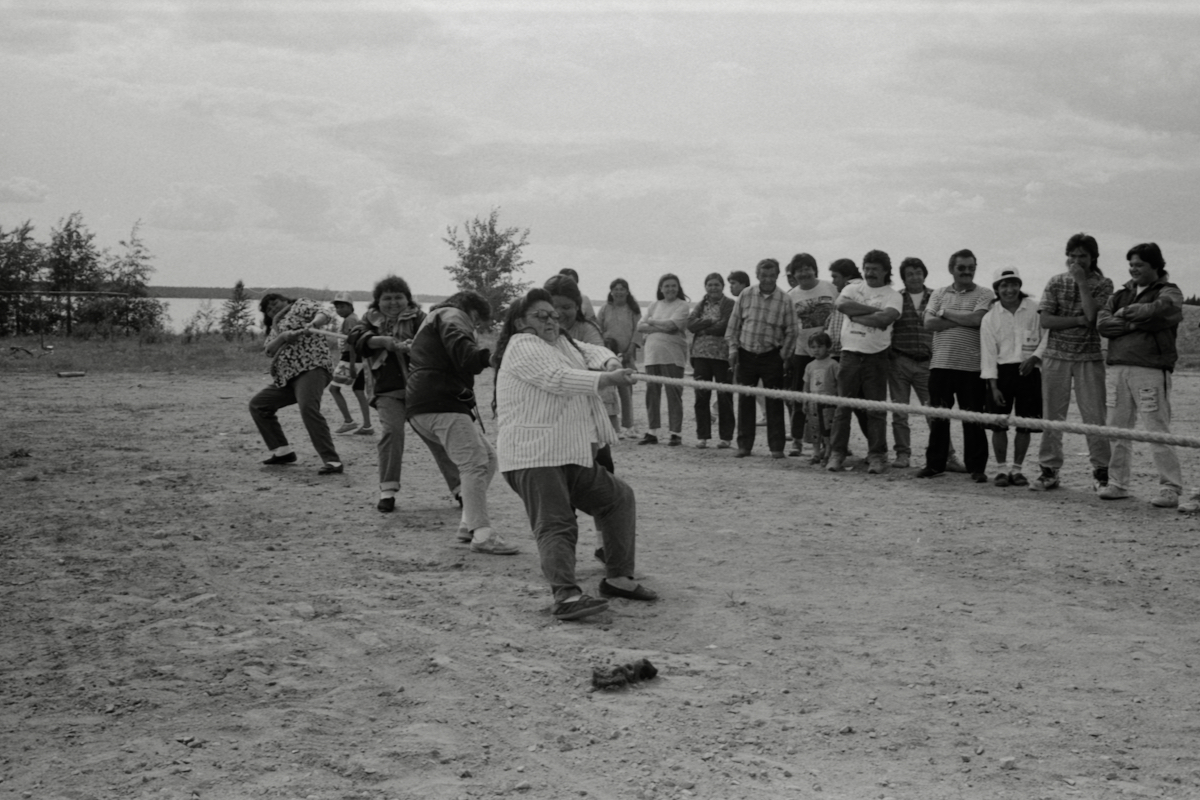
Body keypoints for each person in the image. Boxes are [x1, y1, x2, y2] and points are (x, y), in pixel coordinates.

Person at [493, 288, 657, 621]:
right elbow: (558, 378)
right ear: (520, 322)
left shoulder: (561, 343)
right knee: (557, 523)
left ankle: (618, 578)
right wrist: (607, 379)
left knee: (617, 498)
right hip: (533, 456)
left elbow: (590, 350)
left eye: (553, 314)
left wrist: (609, 361)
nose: (552, 320)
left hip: (568, 453)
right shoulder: (522, 345)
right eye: (541, 316)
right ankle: (566, 596)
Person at [406, 291, 519, 555]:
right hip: (441, 402)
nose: (476, 328)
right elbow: (461, 345)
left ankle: (468, 523)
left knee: (488, 458)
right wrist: (486, 357)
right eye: (478, 323)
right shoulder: (452, 314)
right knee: (474, 463)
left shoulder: (432, 319)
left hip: (424, 404)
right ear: (473, 312)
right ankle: (482, 534)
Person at [347, 276, 462, 513]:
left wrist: (417, 346)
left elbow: (438, 339)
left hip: (421, 390)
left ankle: (461, 489)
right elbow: (356, 339)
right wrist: (381, 341)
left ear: (407, 299)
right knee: (392, 432)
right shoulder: (369, 321)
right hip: (387, 390)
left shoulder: (420, 319)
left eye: (398, 297)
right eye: (386, 298)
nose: (393, 302)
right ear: (377, 302)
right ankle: (387, 491)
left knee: (436, 436)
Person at [1096, 243, 1185, 508]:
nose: (1133, 269)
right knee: (1117, 429)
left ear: (1155, 266)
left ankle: (1170, 487)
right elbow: (1102, 323)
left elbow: (1162, 312)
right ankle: (1118, 483)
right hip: (1117, 368)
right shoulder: (1121, 294)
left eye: (1139, 265)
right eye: (1131, 264)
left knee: (1157, 430)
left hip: (1150, 369)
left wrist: (1126, 317)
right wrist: (1137, 324)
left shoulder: (1170, 291)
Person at [1033, 233, 1114, 492]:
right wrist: (1077, 320)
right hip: (1056, 356)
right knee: (1052, 416)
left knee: (1095, 416)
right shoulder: (1055, 281)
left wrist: (1081, 283)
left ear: (1093, 258)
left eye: (1083, 256)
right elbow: (1046, 320)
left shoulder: (1104, 284)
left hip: (1089, 358)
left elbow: (1093, 318)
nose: (1076, 260)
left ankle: (1102, 472)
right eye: (1073, 255)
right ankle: (1049, 470)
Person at [918, 249, 994, 482]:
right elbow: (929, 323)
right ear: (952, 269)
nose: (967, 272)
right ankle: (935, 465)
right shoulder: (939, 293)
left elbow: (978, 320)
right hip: (941, 365)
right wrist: (962, 319)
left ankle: (976, 468)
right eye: (962, 267)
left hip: (972, 368)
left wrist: (946, 314)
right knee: (939, 417)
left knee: (973, 419)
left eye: (971, 267)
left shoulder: (985, 293)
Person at [250, 293, 344, 475]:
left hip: (312, 369)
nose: (273, 309)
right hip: (287, 379)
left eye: (275, 303)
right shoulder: (275, 327)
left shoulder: (300, 305)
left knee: (308, 407)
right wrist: (284, 336)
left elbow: (324, 313)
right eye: (268, 309)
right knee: (259, 405)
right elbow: (269, 350)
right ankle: (282, 452)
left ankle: (332, 461)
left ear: (286, 300)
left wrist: (314, 323)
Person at [826, 250, 901, 474]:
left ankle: (877, 455)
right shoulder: (851, 288)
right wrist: (874, 312)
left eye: (875, 269)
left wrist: (857, 315)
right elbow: (842, 306)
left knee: (875, 410)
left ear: (886, 271)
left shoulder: (893, 295)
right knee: (843, 408)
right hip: (849, 355)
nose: (870, 273)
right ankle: (837, 453)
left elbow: (886, 318)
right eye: (867, 268)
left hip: (876, 357)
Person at [979, 267, 1046, 488]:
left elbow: (1047, 337)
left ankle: (1017, 470)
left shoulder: (1034, 310)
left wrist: (1034, 358)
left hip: (1029, 372)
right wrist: (993, 386)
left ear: (1020, 285)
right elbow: (988, 355)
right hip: (1001, 374)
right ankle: (1000, 470)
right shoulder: (990, 318)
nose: (1010, 290)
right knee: (999, 424)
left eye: (1013, 284)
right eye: (1004, 285)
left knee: (1025, 424)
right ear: (997, 289)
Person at [545, 274, 617, 473]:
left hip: (584, 413)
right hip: (552, 418)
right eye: (553, 307)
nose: (559, 313)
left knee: (602, 468)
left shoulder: (586, 329)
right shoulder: (535, 332)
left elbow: (595, 351)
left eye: (566, 307)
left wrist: (610, 363)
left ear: (578, 307)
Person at [725, 258, 796, 458]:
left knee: (774, 402)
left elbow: (792, 330)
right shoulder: (746, 295)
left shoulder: (785, 299)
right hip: (746, 354)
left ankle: (776, 448)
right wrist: (732, 350)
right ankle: (744, 446)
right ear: (757, 275)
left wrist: (784, 355)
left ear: (777, 276)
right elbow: (734, 326)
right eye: (763, 275)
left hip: (772, 355)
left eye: (772, 275)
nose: (767, 279)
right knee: (745, 401)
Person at [785, 253, 837, 457]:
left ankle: (832, 441)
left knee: (830, 398)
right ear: (794, 274)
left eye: (808, 268)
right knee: (800, 397)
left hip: (830, 353)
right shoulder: (791, 296)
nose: (804, 273)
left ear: (814, 269)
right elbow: (788, 326)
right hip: (802, 353)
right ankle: (797, 439)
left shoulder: (829, 287)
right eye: (799, 270)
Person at [636, 273, 690, 446]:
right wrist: (659, 326)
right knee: (652, 394)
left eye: (673, 285)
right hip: (652, 355)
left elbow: (673, 326)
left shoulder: (682, 306)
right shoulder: (653, 305)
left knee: (673, 394)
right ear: (661, 288)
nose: (670, 289)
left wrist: (652, 323)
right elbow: (640, 326)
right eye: (666, 286)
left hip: (673, 356)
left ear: (678, 288)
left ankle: (675, 433)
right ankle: (652, 432)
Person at [687, 272, 736, 449]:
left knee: (724, 397)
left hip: (722, 356)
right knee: (701, 397)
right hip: (700, 355)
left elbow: (725, 326)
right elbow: (690, 324)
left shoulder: (730, 304)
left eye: (716, 284)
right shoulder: (701, 304)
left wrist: (704, 329)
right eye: (710, 284)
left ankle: (726, 437)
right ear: (705, 287)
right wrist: (709, 321)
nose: (713, 288)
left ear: (722, 286)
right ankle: (703, 436)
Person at [597, 278, 642, 438]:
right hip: (607, 355)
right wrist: (605, 350)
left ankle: (628, 426)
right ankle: (609, 426)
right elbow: (598, 329)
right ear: (611, 291)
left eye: (622, 289)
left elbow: (638, 331)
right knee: (607, 392)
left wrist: (630, 350)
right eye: (615, 289)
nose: (619, 292)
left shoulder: (633, 310)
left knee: (626, 391)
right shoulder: (604, 309)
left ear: (627, 291)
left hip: (627, 355)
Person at [328, 292, 374, 435]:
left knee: (334, 389)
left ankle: (349, 421)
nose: (339, 310)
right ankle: (367, 426)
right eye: (337, 307)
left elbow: (354, 343)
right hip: (357, 359)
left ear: (350, 306)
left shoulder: (351, 320)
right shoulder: (351, 319)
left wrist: (353, 363)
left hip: (351, 358)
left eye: (342, 306)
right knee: (358, 390)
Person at [803, 331, 839, 465]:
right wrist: (805, 400)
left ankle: (828, 453)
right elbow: (806, 384)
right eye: (813, 347)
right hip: (813, 402)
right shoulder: (809, 366)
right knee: (814, 428)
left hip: (828, 403)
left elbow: (839, 383)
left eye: (819, 346)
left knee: (827, 429)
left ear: (827, 346)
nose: (816, 350)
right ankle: (816, 453)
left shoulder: (833, 364)